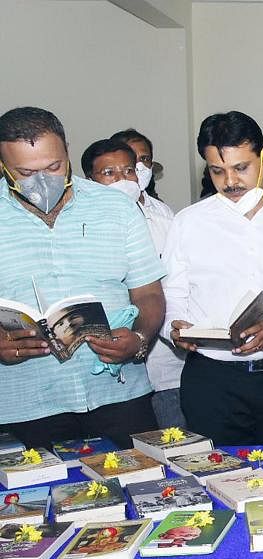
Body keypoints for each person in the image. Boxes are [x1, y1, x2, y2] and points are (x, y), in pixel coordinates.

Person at [0, 107, 163, 448]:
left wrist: (140, 339)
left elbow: (148, 293)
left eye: (54, 167)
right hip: (25, 404)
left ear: (67, 151)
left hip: (120, 395)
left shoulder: (116, 208)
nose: (43, 181)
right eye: (26, 172)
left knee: (145, 490)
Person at [162, 111, 263, 445]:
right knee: (215, 477)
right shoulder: (188, 222)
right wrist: (174, 328)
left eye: (241, 168)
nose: (230, 182)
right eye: (217, 171)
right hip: (211, 381)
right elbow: (173, 292)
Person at [110, 128, 189, 429]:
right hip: (118, 368)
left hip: (167, 367)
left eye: (144, 161)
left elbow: (176, 283)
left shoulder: (167, 215)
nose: (137, 169)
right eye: (131, 161)